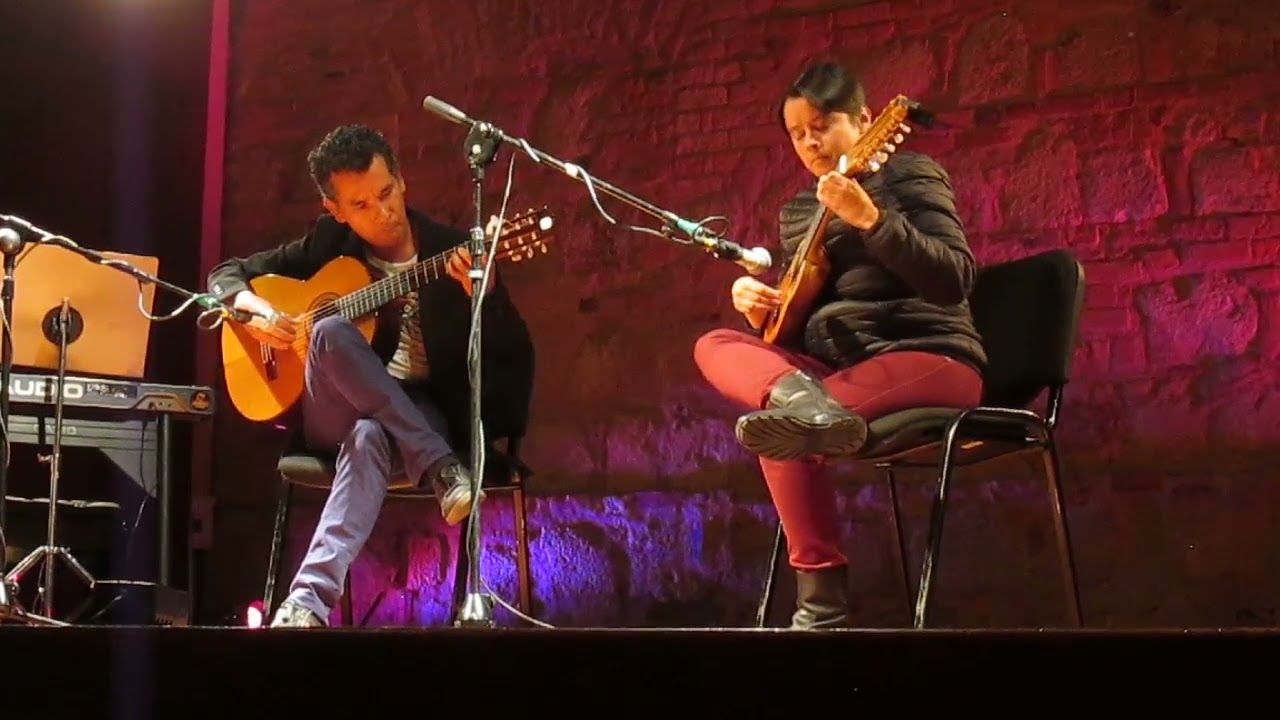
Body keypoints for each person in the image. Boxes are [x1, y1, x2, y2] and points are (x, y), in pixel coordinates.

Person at [693, 62, 988, 629]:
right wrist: (767, 311)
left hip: (930, 356)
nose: (810, 142)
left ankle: (821, 611)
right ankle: (805, 406)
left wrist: (873, 220)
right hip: (842, 375)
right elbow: (806, 326)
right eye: (798, 133)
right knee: (717, 343)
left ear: (866, 121)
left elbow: (954, 279)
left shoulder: (909, 175)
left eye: (822, 125)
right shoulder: (800, 213)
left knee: (779, 432)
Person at [207, 124, 535, 628]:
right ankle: (442, 467)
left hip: (419, 410)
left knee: (368, 434)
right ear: (335, 210)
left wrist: (486, 296)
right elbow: (226, 274)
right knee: (331, 332)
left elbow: (514, 353)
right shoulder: (326, 244)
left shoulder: (452, 250)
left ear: (402, 181)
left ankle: (306, 604)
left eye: (386, 193)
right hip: (333, 410)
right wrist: (251, 306)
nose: (382, 212)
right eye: (360, 205)